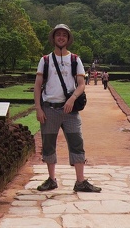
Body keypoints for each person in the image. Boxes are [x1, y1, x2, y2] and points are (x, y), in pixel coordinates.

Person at [33, 24, 101, 193]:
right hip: (49, 108)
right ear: (54, 38)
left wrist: (72, 99)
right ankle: (51, 179)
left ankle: (80, 181)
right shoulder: (45, 60)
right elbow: (37, 85)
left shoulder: (74, 60)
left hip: (70, 110)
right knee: (48, 143)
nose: (61, 37)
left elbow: (81, 84)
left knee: (77, 142)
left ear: (68, 39)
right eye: (58, 35)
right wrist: (38, 108)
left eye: (64, 35)